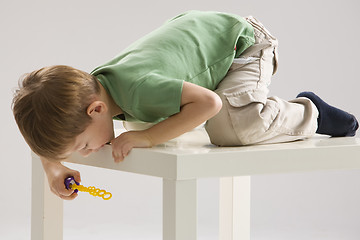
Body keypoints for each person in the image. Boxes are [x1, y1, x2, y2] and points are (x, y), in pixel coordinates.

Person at [12, 11, 358, 200]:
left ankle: (310, 111)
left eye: (84, 146)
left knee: (232, 128)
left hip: (243, 45)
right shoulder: (89, 94)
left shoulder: (138, 89)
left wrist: (147, 140)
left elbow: (208, 103)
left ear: (96, 110)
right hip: (199, 43)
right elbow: (50, 132)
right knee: (140, 127)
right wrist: (53, 167)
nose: (87, 153)